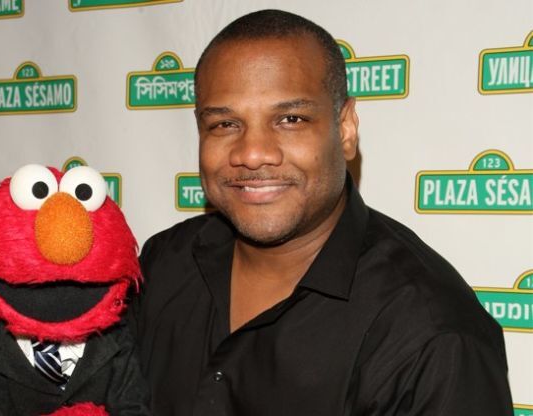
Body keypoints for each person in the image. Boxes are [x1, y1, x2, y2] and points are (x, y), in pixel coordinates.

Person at [130, 9, 513, 416]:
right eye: (225, 124)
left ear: (345, 128)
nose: (252, 153)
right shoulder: (163, 264)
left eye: (289, 119)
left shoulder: (433, 334)